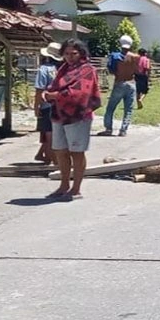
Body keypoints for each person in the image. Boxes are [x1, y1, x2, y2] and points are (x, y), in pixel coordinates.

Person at [43, 39, 100, 200]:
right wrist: (48, 94)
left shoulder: (87, 69)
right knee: (60, 151)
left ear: (81, 53)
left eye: (73, 53)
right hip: (59, 114)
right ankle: (63, 184)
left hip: (78, 116)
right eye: (66, 53)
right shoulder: (64, 69)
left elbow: (81, 94)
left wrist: (55, 96)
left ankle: (76, 189)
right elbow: (54, 86)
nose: (70, 57)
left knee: (76, 152)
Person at [99, 35, 139, 137]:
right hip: (131, 83)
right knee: (128, 109)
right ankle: (123, 130)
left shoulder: (115, 56)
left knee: (110, 108)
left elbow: (111, 69)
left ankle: (108, 129)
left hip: (120, 82)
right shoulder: (135, 57)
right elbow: (137, 70)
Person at [33, 42, 61, 164]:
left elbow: (39, 90)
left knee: (48, 134)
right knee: (54, 133)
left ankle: (54, 160)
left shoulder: (44, 69)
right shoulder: (62, 70)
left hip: (47, 105)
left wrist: (36, 106)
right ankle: (47, 156)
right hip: (60, 105)